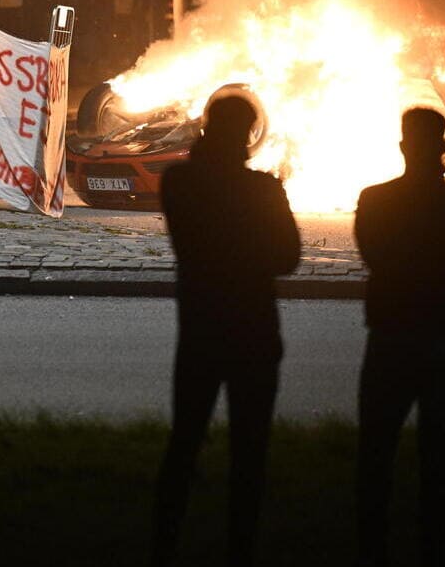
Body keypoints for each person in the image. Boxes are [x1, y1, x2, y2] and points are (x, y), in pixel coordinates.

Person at [152, 89, 300, 567]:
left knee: (185, 441)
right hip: (254, 332)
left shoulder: (179, 182)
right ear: (249, 136)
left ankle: (164, 543)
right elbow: (289, 258)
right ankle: (242, 547)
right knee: (249, 451)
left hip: (200, 330)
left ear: (206, 127)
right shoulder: (263, 190)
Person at [353, 107, 445, 567]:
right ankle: (434, 548)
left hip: (391, 336)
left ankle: (372, 548)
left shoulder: (374, 200)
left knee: (376, 452)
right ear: (443, 148)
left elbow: (373, 255)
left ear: (402, 147)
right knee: (440, 455)